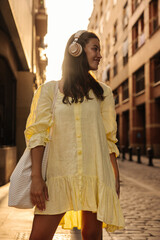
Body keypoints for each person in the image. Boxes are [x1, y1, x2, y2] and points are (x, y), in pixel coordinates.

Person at [26, 30, 125, 240]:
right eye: (95, 48)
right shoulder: (48, 91)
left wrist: (115, 178)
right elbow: (38, 135)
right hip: (58, 175)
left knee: (92, 235)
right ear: (76, 50)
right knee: (38, 237)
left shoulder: (103, 93)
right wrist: (36, 177)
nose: (99, 55)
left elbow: (109, 139)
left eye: (100, 50)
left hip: (95, 174)